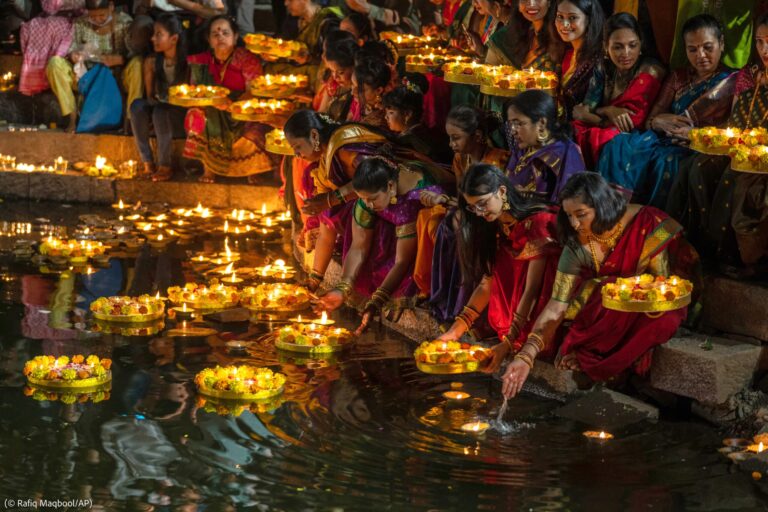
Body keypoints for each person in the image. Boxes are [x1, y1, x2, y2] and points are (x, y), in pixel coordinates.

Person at [501, 173, 700, 398]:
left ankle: (613, 362)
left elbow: (660, 285)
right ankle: (600, 359)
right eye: (569, 216)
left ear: (602, 206)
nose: (575, 224)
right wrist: (526, 355)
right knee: (600, 293)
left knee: (663, 319)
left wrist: (627, 290)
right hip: (611, 308)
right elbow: (557, 304)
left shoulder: (646, 223)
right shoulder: (576, 247)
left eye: (581, 214)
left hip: (654, 303)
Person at [283, 110, 451, 290]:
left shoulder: (345, 149)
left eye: (297, 147)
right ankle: (320, 277)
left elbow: (373, 177)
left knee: (343, 212)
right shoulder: (327, 159)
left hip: (401, 197)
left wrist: (332, 199)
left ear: (314, 135)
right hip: (374, 199)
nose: (297, 155)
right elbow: (327, 216)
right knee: (332, 212)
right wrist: (314, 280)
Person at [598, 14, 736, 208]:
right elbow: (650, 120)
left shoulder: (732, 82)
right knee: (617, 144)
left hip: (699, 146)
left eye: (707, 47)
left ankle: (657, 227)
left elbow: (734, 130)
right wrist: (657, 122)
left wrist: (696, 135)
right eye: (692, 49)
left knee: (667, 161)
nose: (701, 55)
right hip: (662, 138)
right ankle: (613, 211)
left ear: (721, 44)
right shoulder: (678, 77)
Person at [667, 13, 768, 272]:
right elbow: (735, 122)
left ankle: (734, 258)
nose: (764, 50)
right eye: (758, 42)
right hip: (743, 146)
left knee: (731, 179)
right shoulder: (750, 75)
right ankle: (696, 249)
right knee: (697, 166)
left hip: (762, 159)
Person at [438, 164, 562, 373]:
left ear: (502, 192)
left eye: (482, 203)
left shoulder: (537, 223)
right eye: (473, 207)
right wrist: (455, 331)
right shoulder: (494, 225)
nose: (478, 212)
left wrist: (507, 343)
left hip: (542, 303)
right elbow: (487, 283)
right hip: (516, 311)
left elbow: (533, 289)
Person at [315, 156, 447, 333]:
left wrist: (377, 301)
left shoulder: (411, 200)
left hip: (424, 239)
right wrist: (342, 288)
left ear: (391, 186)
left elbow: (402, 261)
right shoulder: (369, 198)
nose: (368, 204)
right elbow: (358, 247)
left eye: (373, 199)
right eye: (364, 199)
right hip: (396, 223)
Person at [415, 106, 509, 318]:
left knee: (457, 226)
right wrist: (443, 201)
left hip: (491, 217)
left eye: (456, 138)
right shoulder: (460, 160)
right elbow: (463, 199)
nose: (451, 144)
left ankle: (463, 302)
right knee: (430, 220)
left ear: (477, 136)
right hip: (468, 212)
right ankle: (436, 291)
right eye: (450, 138)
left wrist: (449, 203)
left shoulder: (498, 161)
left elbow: (495, 203)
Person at [182, 15, 273, 183]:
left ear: (235, 36)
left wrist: (233, 105)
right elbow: (195, 93)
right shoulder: (201, 62)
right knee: (197, 116)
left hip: (242, 111)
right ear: (208, 39)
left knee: (256, 129)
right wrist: (212, 103)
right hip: (213, 111)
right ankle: (208, 168)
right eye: (215, 34)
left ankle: (252, 169)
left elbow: (255, 91)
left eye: (225, 32)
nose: (220, 37)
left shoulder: (247, 59)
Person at [572, 12, 665, 169]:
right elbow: (587, 106)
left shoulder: (650, 71)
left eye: (632, 45)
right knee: (571, 129)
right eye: (618, 47)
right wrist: (609, 110)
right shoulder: (603, 67)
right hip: (608, 125)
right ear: (606, 47)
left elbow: (631, 122)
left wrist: (596, 116)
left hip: (636, 134)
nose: (626, 53)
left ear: (641, 44)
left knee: (604, 137)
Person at [45, 0, 143, 132]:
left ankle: (131, 120)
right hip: (87, 77)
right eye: (92, 16)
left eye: (102, 15)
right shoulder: (80, 23)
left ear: (111, 6)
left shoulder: (124, 23)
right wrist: (74, 55)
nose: (97, 20)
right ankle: (72, 117)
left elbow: (134, 53)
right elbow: (72, 49)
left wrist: (120, 59)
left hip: (117, 77)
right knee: (54, 64)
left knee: (137, 64)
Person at [130, 14, 189, 182]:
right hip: (159, 110)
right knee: (137, 106)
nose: (152, 38)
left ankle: (165, 164)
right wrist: (155, 100)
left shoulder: (188, 63)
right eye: (153, 34)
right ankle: (147, 160)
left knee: (160, 112)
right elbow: (150, 97)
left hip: (179, 115)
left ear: (174, 39)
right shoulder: (152, 61)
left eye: (158, 34)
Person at [504, 90, 585, 202]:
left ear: (541, 123)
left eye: (518, 124)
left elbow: (569, 206)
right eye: (511, 124)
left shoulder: (564, 155)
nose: (513, 131)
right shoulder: (524, 149)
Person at [265, 0, 342, 87]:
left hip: (317, 73)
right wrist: (273, 53)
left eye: (290, 0)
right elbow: (283, 44)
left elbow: (335, 60)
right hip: (297, 69)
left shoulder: (328, 23)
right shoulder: (293, 20)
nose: (285, 3)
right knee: (270, 68)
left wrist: (309, 58)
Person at [382, 74, 452, 164]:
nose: (386, 117)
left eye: (391, 113)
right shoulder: (420, 132)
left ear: (407, 114)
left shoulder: (413, 142)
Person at [554, 0, 604, 121]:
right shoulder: (567, 54)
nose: (564, 24)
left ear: (589, 20)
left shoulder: (597, 61)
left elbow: (589, 108)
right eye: (560, 16)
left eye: (572, 18)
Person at [349, 57, 392, 128]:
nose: (352, 92)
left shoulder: (384, 118)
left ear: (378, 90)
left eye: (360, 89)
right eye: (352, 84)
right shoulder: (361, 102)